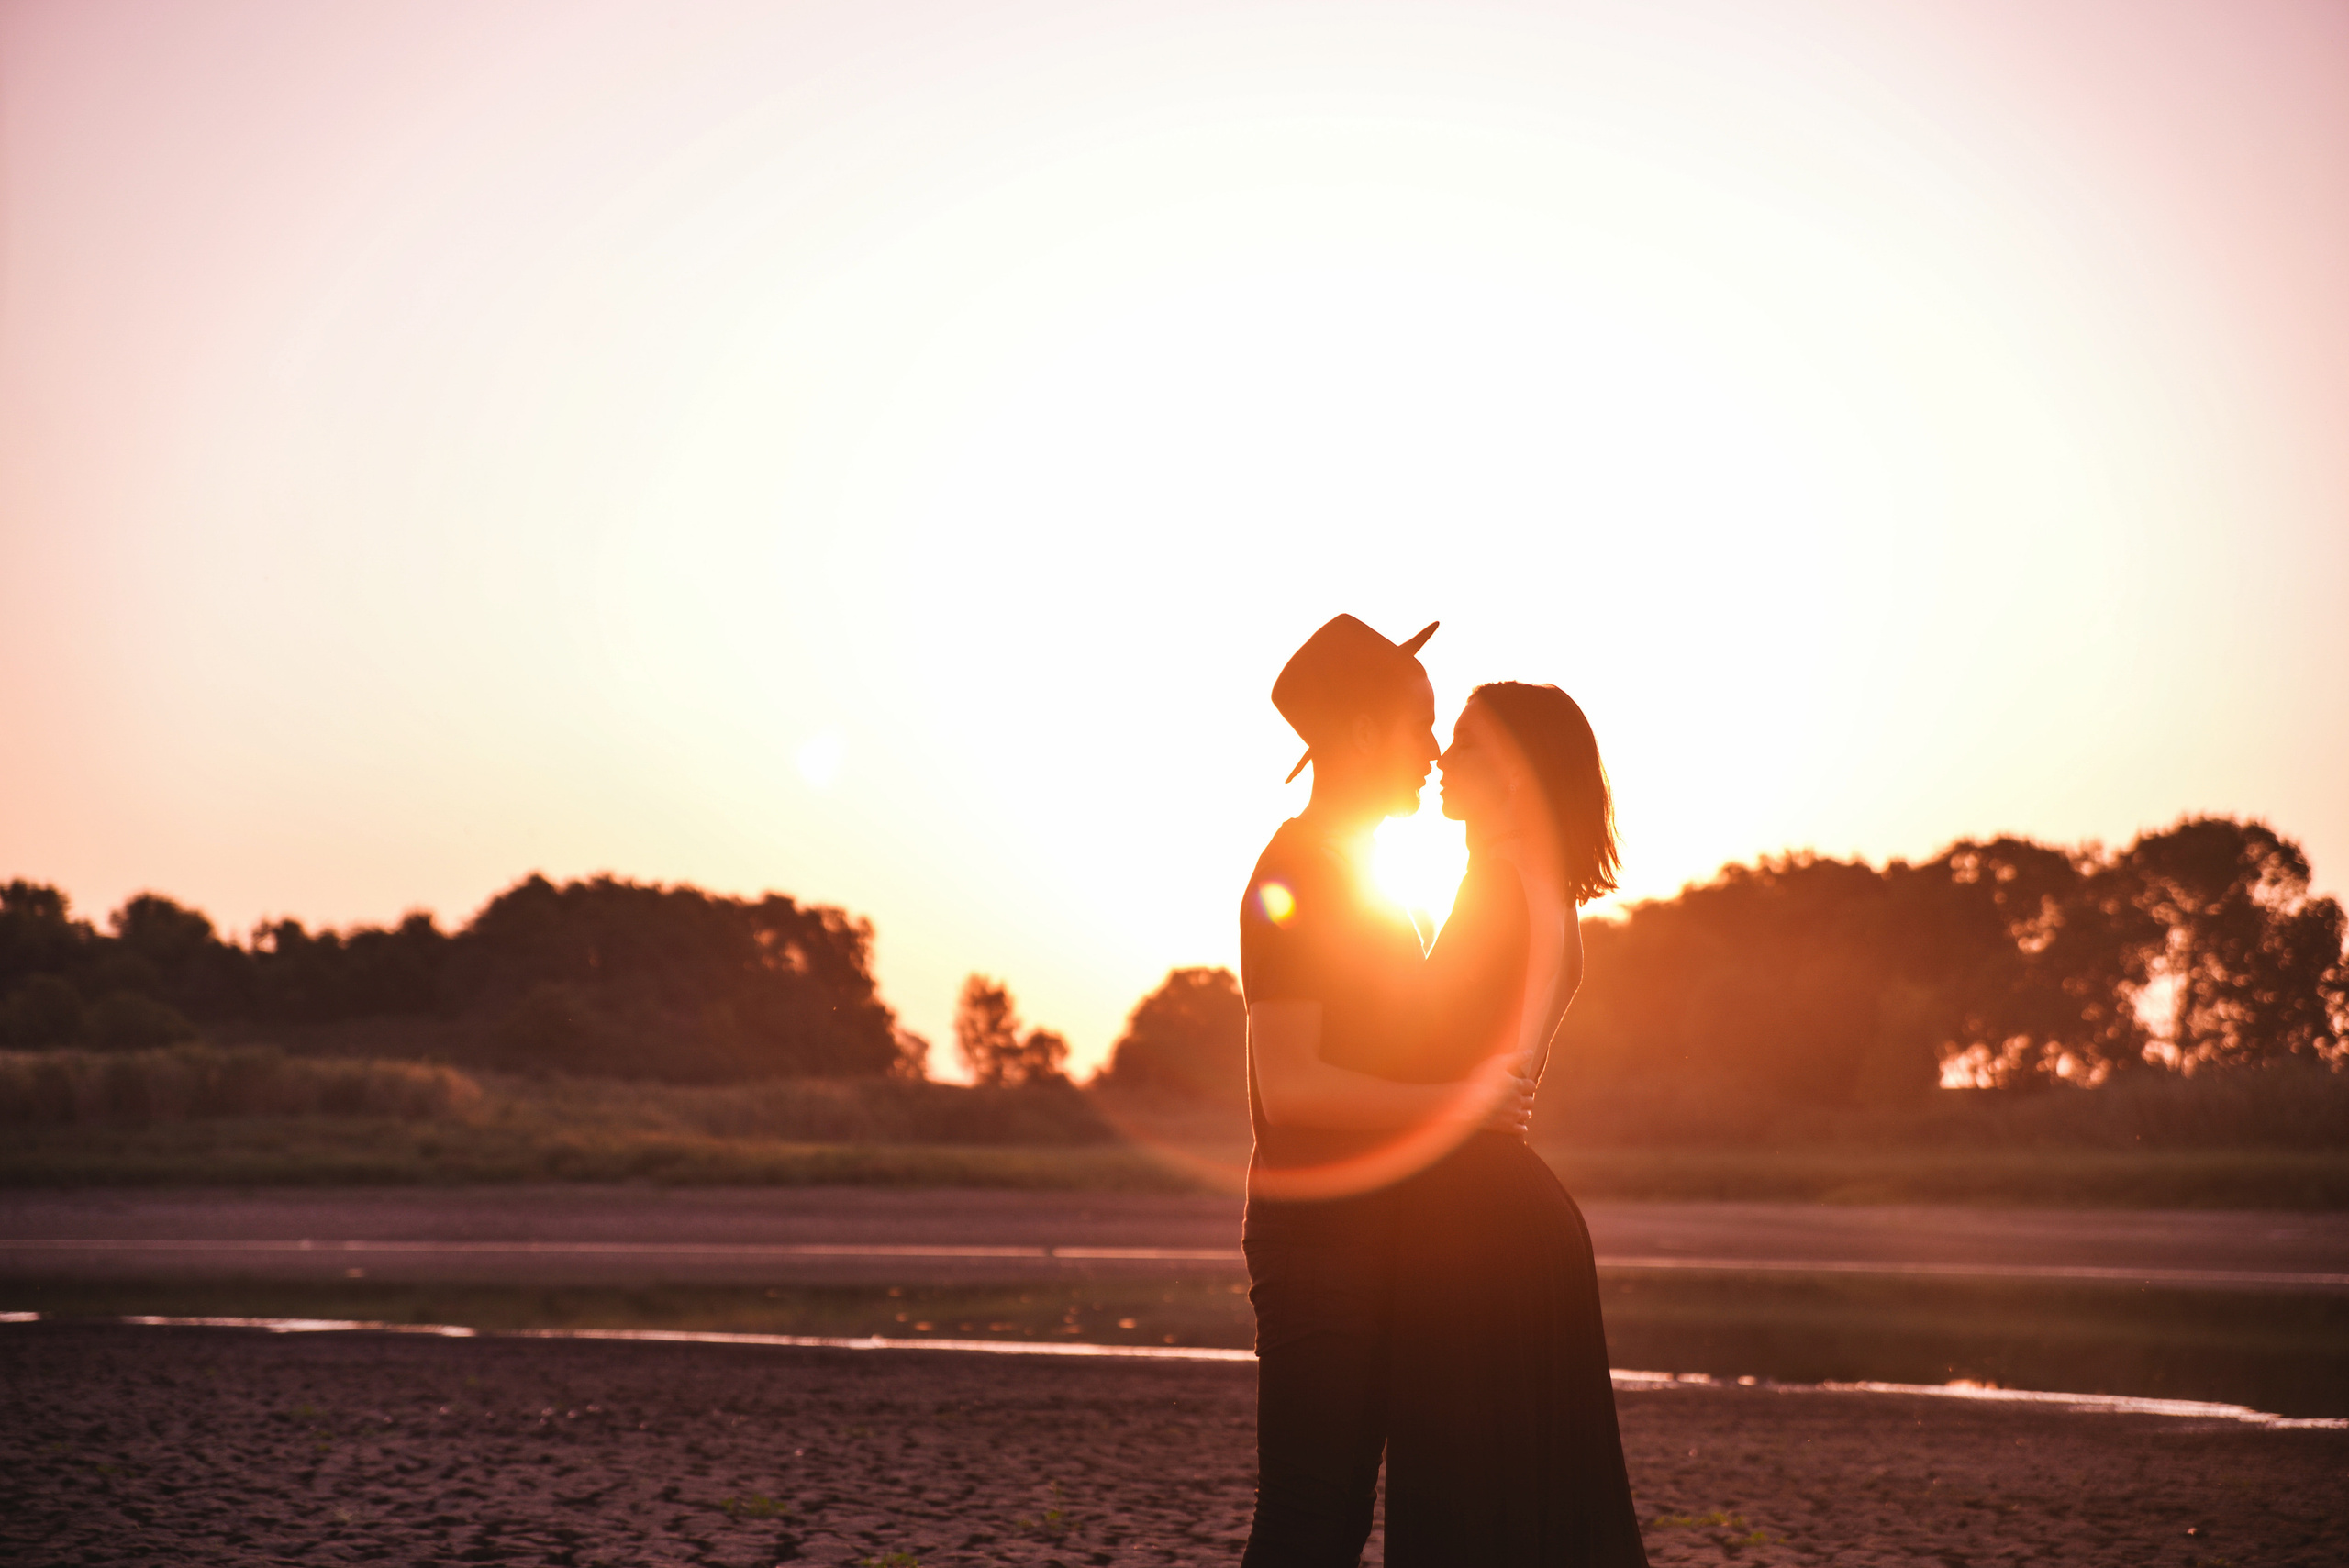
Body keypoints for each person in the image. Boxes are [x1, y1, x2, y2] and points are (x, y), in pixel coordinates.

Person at [1237, 616, 1532, 1568]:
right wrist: (1459, 1106)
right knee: (1308, 1516)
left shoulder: (1361, 876)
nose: (1434, 751)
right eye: (1420, 726)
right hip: (1318, 1243)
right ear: (1361, 734)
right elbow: (1289, 1089)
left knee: (1337, 1517)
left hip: (1374, 1237)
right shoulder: (1291, 876)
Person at [1380, 682, 1650, 1566]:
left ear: (1513, 770)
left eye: (1465, 743)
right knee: (1540, 1496)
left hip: (1470, 1218)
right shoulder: (1553, 896)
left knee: (1466, 1502)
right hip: (1523, 1210)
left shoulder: (1495, 883)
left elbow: (1417, 1056)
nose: (1445, 760)